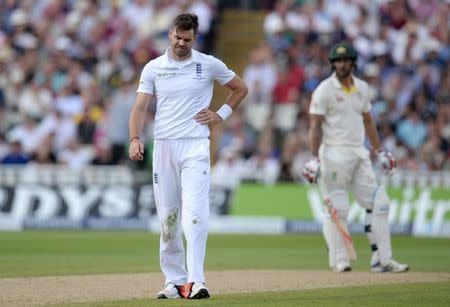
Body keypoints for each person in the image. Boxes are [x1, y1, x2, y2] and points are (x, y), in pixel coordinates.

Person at [128, 13, 248, 299]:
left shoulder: (207, 64)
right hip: (164, 148)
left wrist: (220, 115)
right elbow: (139, 108)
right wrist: (134, 138)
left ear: (195, 38)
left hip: (195, 146)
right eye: (178, 38)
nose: (182, 43)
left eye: (188, 39)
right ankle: (174, 281)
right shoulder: (154, 68)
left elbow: (240, 88)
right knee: (168, 218)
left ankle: (197, 281)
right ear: (170, 34)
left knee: (194, 215)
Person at [302, 42, 409, 273]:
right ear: (332, 64)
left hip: (359, 153)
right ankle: (340, 261)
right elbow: (315, 125)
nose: (342, 65)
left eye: (346, 60)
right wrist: (314, 157)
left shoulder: (362, 88)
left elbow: (368, 120)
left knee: (379, 203)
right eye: (338, 61)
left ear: (353, 63)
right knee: (338, 208)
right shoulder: (324, 90)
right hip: (332, 153)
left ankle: (382, 259)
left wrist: (379, 150)